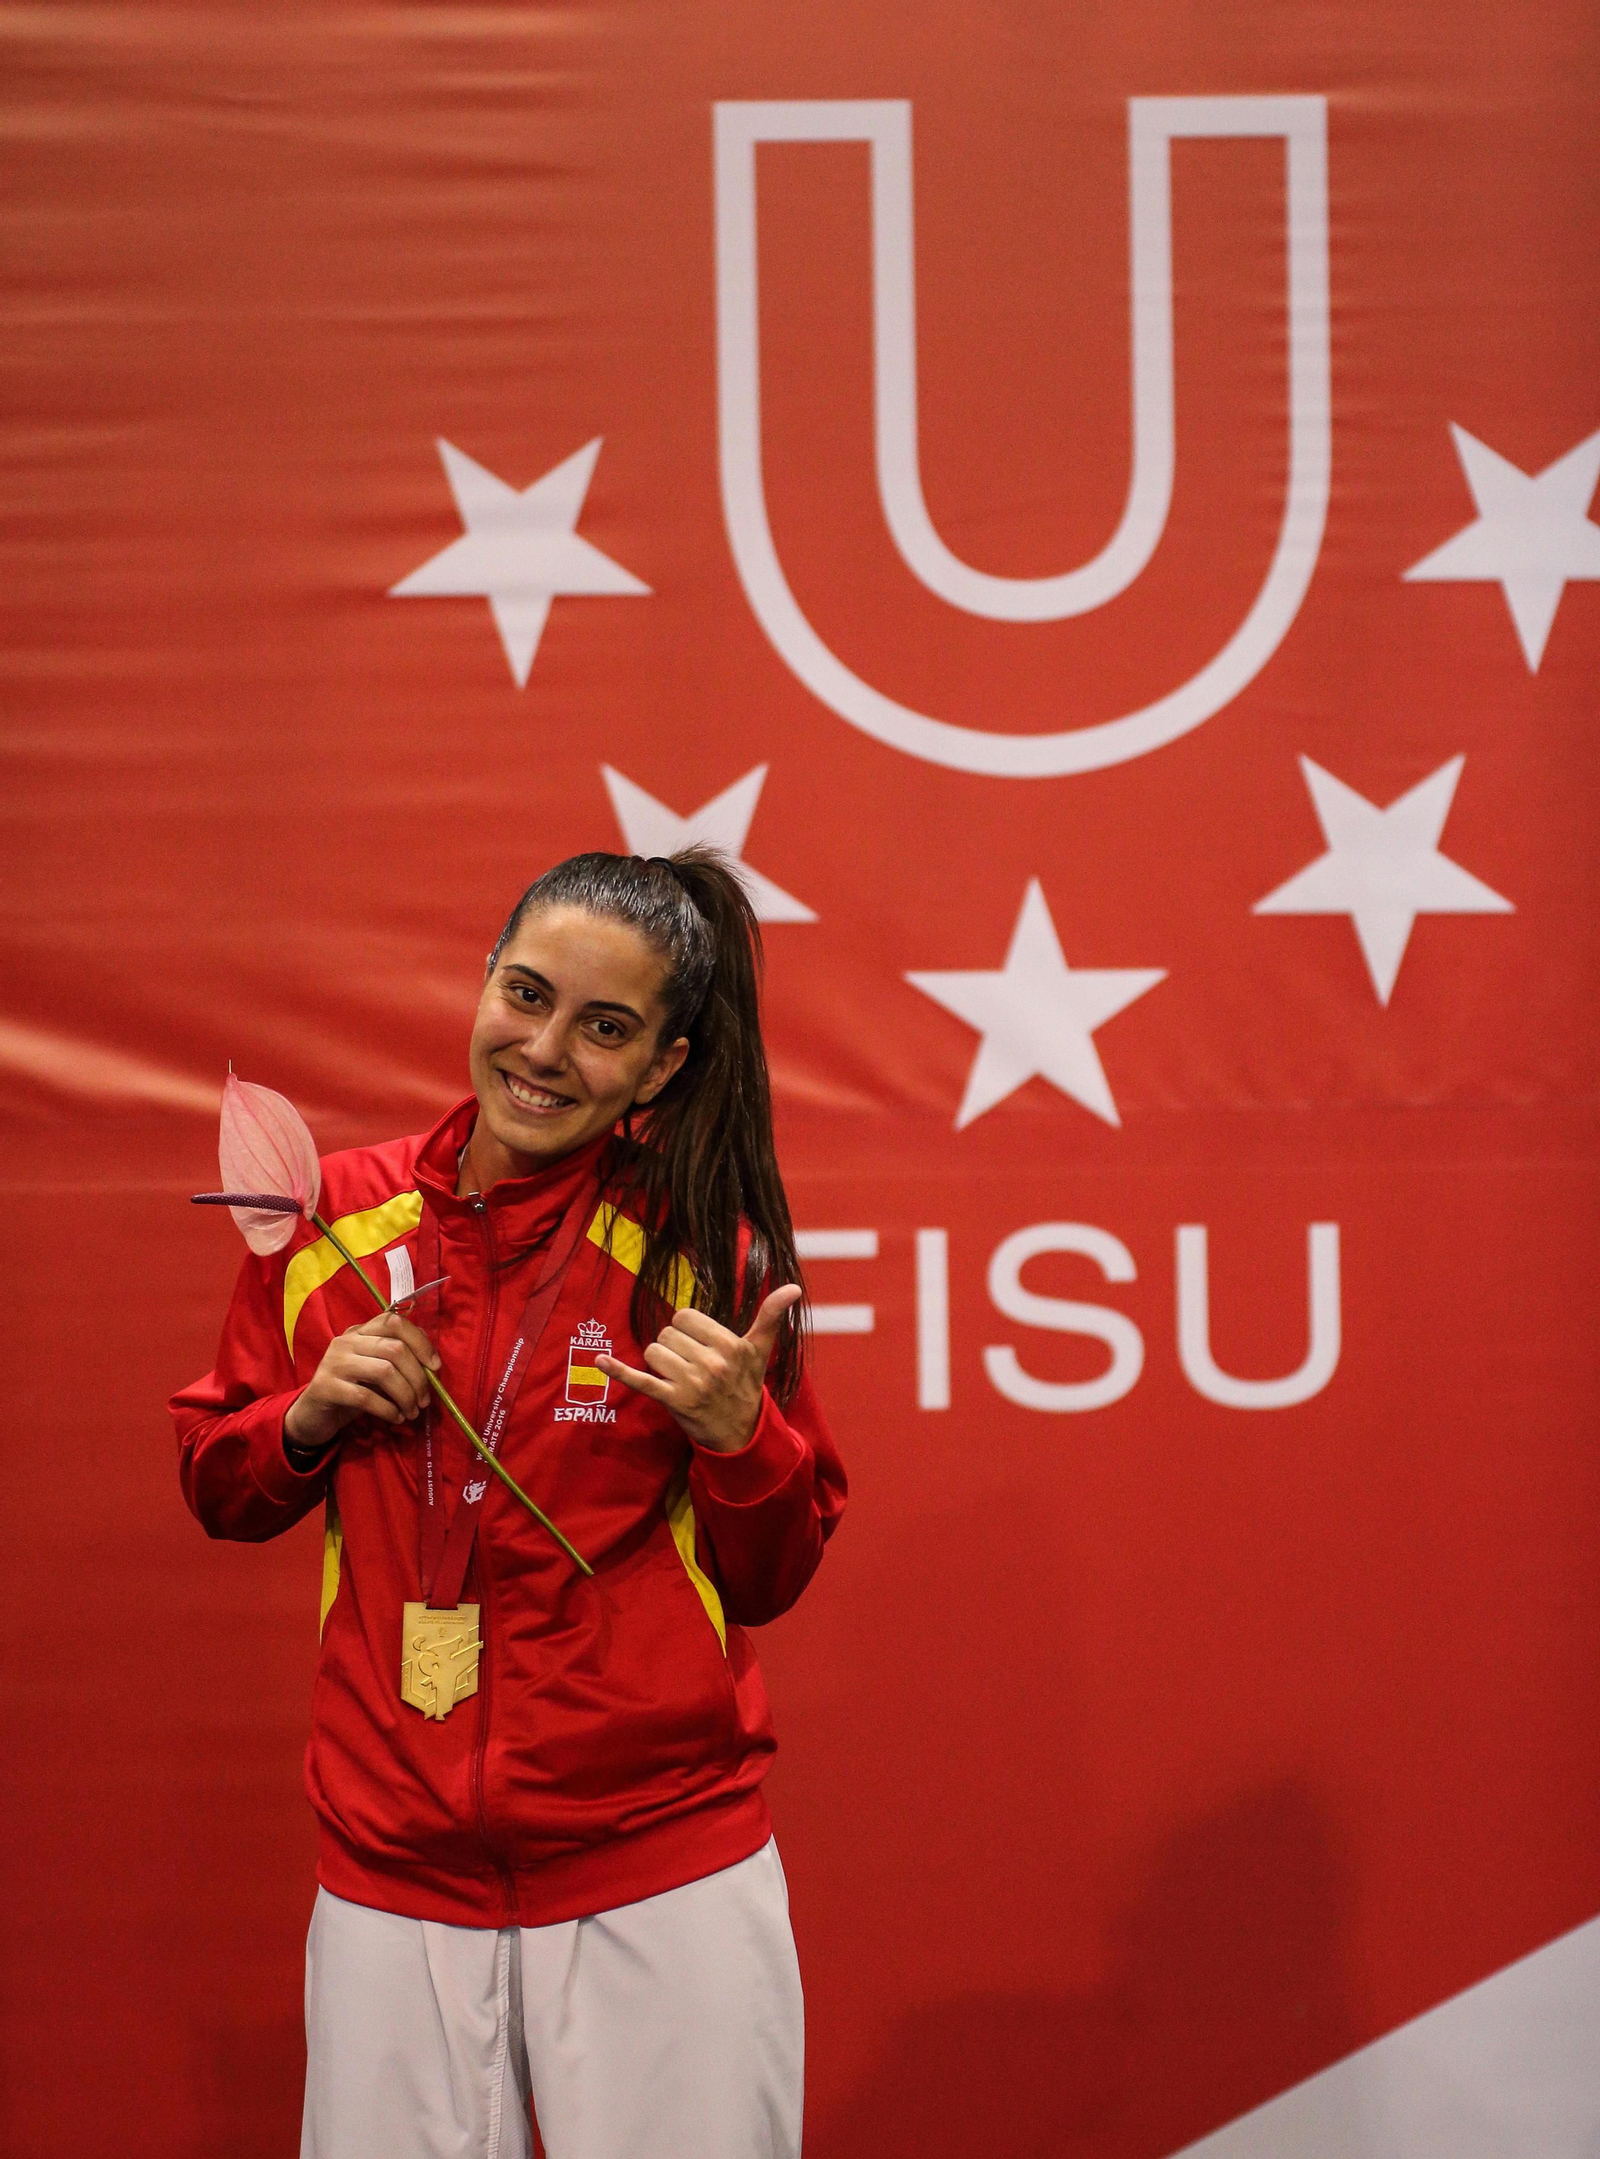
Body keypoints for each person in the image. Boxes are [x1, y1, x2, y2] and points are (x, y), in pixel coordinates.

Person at [172, 848, 847, 2159]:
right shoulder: (333, 1226)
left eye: (604, 1029)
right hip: (392, 1870)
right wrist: (304, 1420)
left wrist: (741, 1439)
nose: (544, 1050)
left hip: (659, 1861)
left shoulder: (705, 1243)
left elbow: (773, 1571)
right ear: (483, 983)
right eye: (525, 996)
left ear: (660, 1067)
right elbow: (217, 1478)